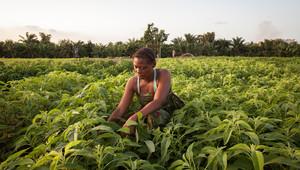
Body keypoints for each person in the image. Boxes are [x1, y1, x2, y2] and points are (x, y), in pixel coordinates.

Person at [108, 47, 175, 134]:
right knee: (121, 119)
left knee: (152, 118)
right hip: (144, 112)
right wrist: (107, 125)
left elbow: (158, 102)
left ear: (153, 64)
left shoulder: (163, 74)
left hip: (165, 110)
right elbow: (121, 108)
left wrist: (134, 118)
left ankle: (149, 140)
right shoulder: (133, 82)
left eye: (144, 68)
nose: (139, 71)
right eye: (136, 67)